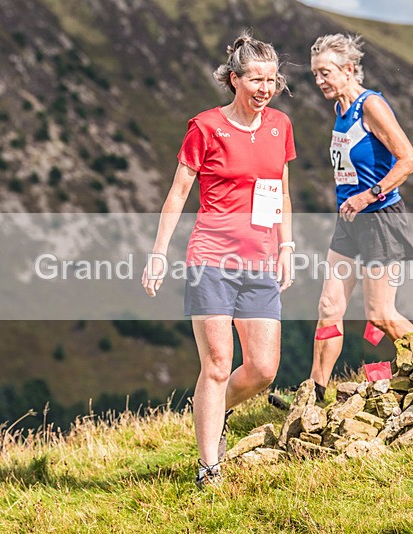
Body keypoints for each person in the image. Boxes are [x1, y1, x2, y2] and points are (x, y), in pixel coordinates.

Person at [142, 31, 295, 488]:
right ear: (234, 79)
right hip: (211, 259)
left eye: (272, 80)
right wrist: (158, 253)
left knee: (263, 369)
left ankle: (215, 408)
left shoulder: (280, 126)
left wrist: (287, 247)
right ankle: (209, 468)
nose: (265, 89)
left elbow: (282, 192)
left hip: (261, 260)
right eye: (256, 80)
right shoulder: (205, 127)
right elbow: (178, 193)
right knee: (217, 363)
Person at [307, 34, 413, 401]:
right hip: (350, 220)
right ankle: (314, 394)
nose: (319, 81)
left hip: (380, 218)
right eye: (315, 74)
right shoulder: (340, 111)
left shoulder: (370, 105)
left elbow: (409, 160)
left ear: (349, 69)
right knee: (329, 306)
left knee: (380, 315)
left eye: (325, 73)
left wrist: (369, 195)